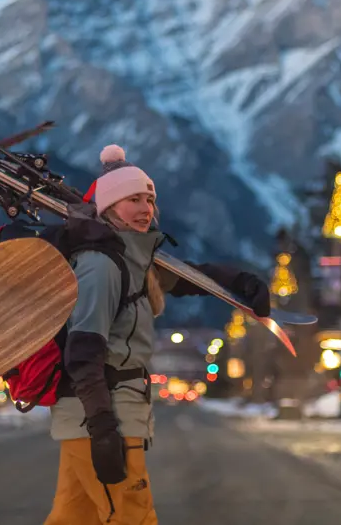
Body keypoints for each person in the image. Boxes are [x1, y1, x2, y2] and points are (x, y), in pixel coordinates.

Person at [25, 144, 268, 524]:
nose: (145, 209)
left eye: (149, 200)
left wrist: (238, 282)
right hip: (102, 414)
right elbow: (83, 352)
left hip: (101, 414)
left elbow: (185, 277)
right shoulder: (101, 265)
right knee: (133, 517)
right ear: (108, 207)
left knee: (75, 517)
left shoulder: (131, 258)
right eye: (133, 199)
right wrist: (103, 425)